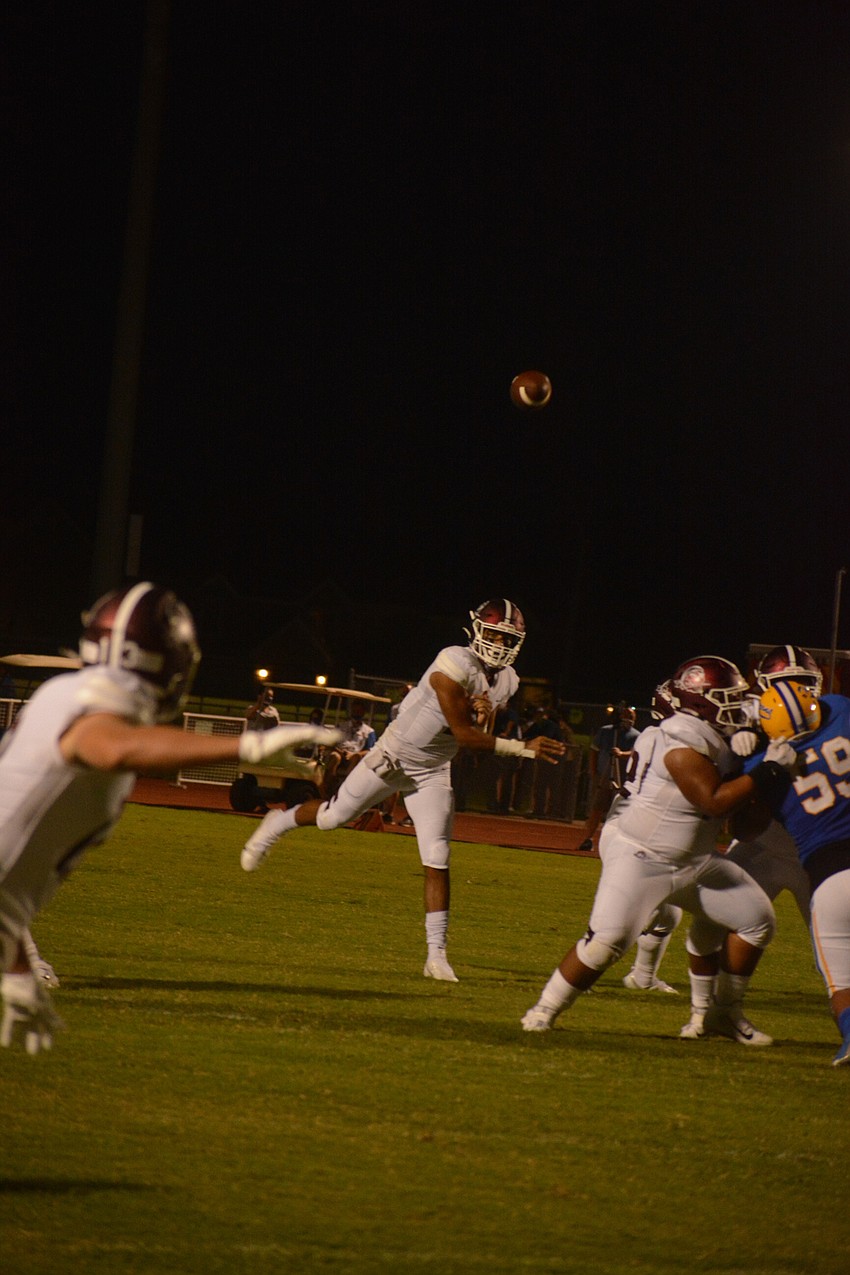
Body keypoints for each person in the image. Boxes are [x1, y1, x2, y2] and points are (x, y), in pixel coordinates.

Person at [0, 581, 340, 1055]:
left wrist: (15, 969)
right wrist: (245, 745)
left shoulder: (69, 691)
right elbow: (109, 746)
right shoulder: (100, 710)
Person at [240, 599, 565, 981]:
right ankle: (277, 823)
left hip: (432, 769)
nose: (497, 642)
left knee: (438, 858)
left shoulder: (508, 679)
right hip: (394, 755)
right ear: (477, 629)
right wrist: (523, 748)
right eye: (493, 632)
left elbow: (478, 732)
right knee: (332, 817)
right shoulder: (453, 661)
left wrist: (483, 714)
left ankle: (436, 956)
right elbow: (464, 734)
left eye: (506, 637)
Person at [522, 655, 798, 1046]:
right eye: (727, 697)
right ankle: (543, 1011)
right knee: (606, 943)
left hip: (695, 861)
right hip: (645, 858)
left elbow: (744, 825)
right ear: (702, 701)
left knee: (757, 920)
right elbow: (713, 801)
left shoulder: (711, 737)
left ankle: (722, 1013)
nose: (737, 706)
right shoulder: (681, 737)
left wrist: (744, 763)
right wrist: (767, 770)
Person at [740, 660, 850, 1067]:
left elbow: (744, 825)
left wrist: (760, 765)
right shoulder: (840, 708)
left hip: (830, 875)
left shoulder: (764, 764)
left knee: (841, 979)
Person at [578, 702, 639, 852]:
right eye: (625, 716)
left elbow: (636, 754)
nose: (628, 719)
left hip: (624, 780)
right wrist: (593, 772)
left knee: (619, 812)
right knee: (597, 809)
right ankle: (588, 838)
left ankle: (614, 843)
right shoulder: (606, 732)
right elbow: (594, 751)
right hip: (604, 776)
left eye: (631, 717)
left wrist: (621, 754)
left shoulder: (637, 736)